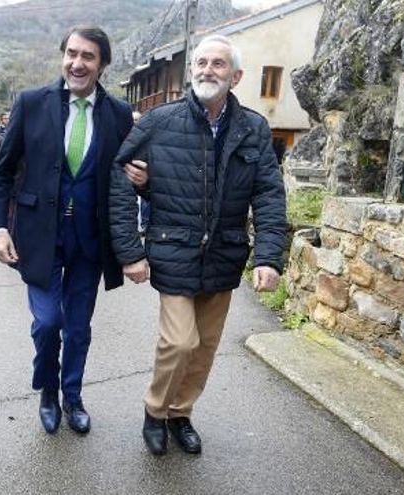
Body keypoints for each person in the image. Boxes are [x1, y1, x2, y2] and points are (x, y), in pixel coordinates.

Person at [109, 34, 287, 456]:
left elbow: (268, 194)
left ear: (236, 76)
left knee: (204, 347)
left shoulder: (253, 129)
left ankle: (180, 413)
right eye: (202, 63)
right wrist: (130, 251)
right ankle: (155, 411)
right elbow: (121, 177)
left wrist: (269, 257)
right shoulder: (159, 121)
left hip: (224, 252)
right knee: (180, 342)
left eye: (218, 64)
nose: (208, 70)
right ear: (192, 71)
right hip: (173, 248)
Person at [0, 25, 133, 435]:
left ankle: (73, 395)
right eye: (71, 53)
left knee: (78, 326)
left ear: (102, 64)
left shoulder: (119, 114)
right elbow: (0, 173)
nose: (77, 62)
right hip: (38, 236)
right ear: (62, 56)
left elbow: (131, 175)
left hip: (90, 240)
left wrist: (143, 180)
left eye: (88, 56)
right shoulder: (32, 103)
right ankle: (48, 389)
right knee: (48, 321)